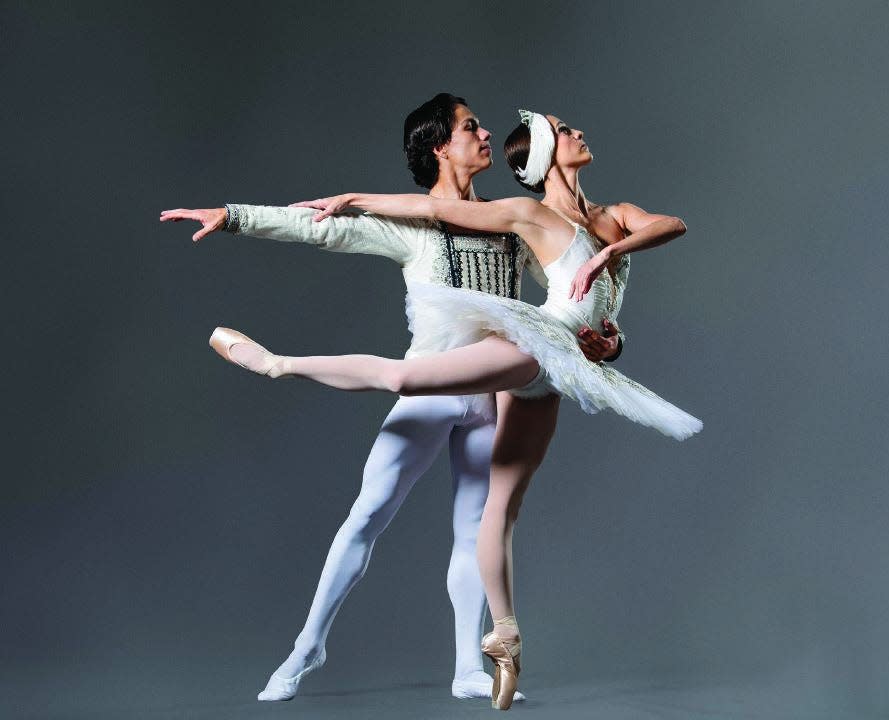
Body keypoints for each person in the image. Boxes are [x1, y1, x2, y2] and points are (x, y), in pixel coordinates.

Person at [172, 109, 702, 710]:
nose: (484, 135)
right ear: (440, 149)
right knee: (368, 513)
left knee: (474, 529)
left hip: (492, 389)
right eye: (471, 128)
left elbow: (570, 293)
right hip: (431, 385)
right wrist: (236, 217)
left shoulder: (509, 221)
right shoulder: (416, 225)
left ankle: (466, 669)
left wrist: (606, 338)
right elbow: (324, 227)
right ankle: (305, 649)